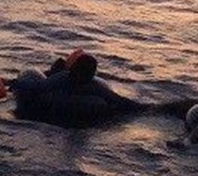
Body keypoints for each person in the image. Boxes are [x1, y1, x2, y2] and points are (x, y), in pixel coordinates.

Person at [11, 51, 146, 127]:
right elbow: (37, 88)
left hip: (65, 109)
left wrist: (12, 84)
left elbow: (119, 101)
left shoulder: (90, 85)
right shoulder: (66, 79)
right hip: (61, 107)